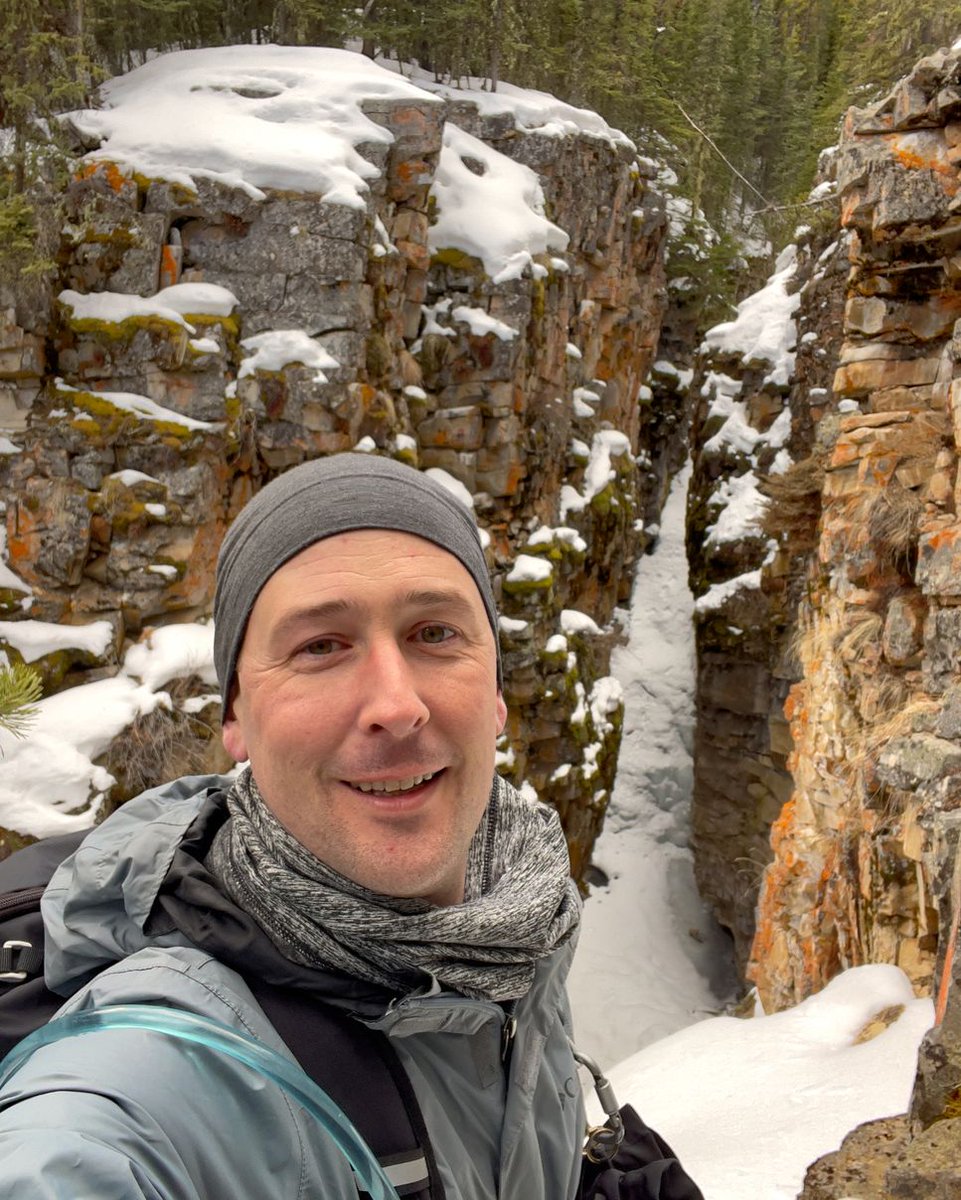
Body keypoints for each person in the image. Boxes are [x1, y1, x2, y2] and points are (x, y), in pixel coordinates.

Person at [0, 453, 586, 1199]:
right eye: (320, 647)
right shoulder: (148, 1071)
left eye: (434, 633)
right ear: (236, 716)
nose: (395, 703)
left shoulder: (516, 929)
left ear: (497, 691)